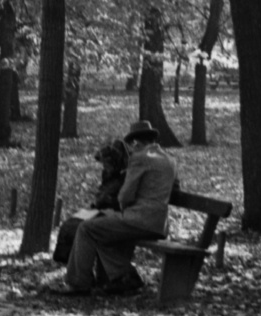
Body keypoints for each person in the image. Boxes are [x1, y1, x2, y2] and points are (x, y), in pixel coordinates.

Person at [48, 121, 176, 297]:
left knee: (87, 228)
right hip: (160, 224)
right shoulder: (170, 160)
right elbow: (175, 188)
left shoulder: (140, 159)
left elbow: (125, 196)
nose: (131, 149)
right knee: (102, 232)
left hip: (139, 220)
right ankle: (124, 276)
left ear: (136, 142)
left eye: (132, 145)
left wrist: (118, 211)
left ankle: (78, 283)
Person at [51, 138, 128, 268]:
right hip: (100, 209)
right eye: (104, 164)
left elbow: (124, 200)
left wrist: (109, 201)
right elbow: (103, 192)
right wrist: (99, 201)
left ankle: (79, 269)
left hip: (114, 213)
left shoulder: (125, 176)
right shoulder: (108, 174)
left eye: (107, 164)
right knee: (69, 224)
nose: (105, 167)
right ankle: (68, 262)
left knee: (82, 228)